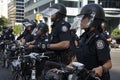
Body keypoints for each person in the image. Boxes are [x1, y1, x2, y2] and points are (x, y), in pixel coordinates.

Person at [74, 3, 112, 80]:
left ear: (93, 20)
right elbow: (77, 59)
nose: (81, 20)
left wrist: (101, 69)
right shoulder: (83, 38)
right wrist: (64, 68)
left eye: (84, 17)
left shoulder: (99, 40)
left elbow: (108, 64)